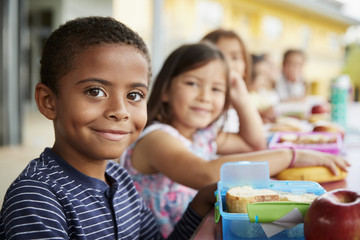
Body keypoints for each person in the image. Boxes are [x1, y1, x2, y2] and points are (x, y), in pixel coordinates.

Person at [0, 16, 217, 240]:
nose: (120, 111)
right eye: (95, 91)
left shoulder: (121, 180)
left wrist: (200, 203)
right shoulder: (37, 196)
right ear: (48, 101)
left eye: (134, 95)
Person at [121, 42, 350, 236]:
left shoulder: (203, 135)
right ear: (165, 90)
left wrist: (240, 95)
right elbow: (207, 174)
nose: (205, 97)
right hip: (178, 234)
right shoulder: (156, 138)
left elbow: (254, 143)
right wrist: (292, 155)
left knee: (291, 224)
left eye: (217, 89)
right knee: (280, 226)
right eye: (192, 83)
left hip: (206, 226)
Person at [201, 29, 260, 134]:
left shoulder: (237, 106)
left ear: (245, 68)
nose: (227, 64)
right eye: (219, 55)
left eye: (235, 57)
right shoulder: (203, 104)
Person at [248, 54, 280, 123]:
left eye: (265, 74)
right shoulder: (246, 96)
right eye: (260, 74)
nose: (265, 79)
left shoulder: (260, 93)